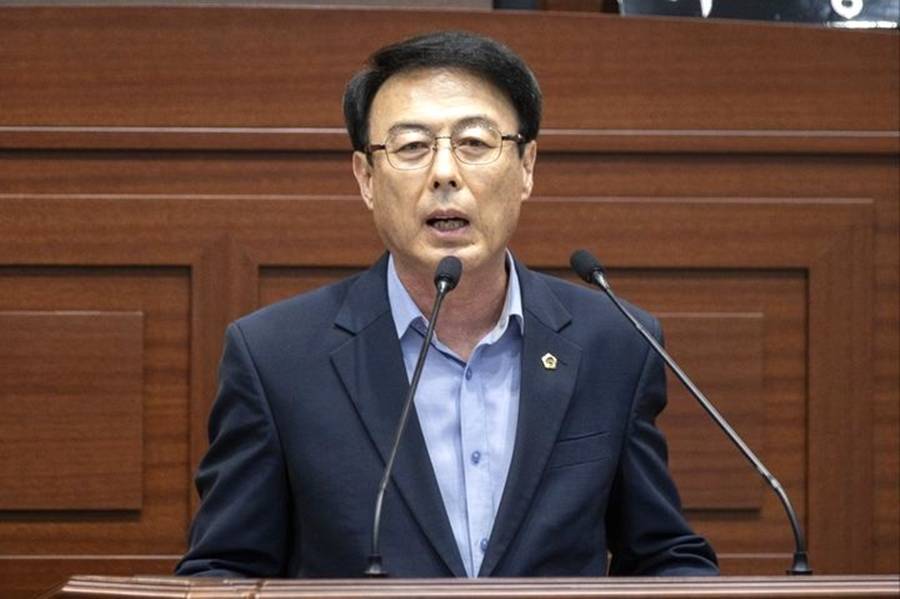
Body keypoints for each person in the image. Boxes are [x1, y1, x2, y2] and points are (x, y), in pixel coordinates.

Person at [176, 31, 717, 578]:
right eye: (411, 146)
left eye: (475, 143)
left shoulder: (615, 345)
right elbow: (222, 571)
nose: (444, 173)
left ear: (527, 166)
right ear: (366, 178)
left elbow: (665, 559)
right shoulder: (276, 358)